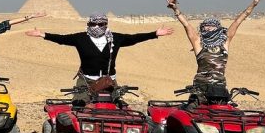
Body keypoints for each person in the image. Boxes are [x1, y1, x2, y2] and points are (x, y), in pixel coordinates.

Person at [25, 13, 173, 102]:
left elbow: (134, 38)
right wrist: (43, 35)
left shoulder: (115, 38)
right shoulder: (80, 38)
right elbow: (62, 39)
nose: (96, 26)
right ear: (88, 23)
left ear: (106, 24)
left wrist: (154, 34)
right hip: (86, 81)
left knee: (117, 110)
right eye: (93, 23)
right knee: (77, 109)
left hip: (109, 81)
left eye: (101, 24)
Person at [167, 0, 261, 97]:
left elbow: (238, 21)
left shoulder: (225, 42)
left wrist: (253, 5)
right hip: (199, 90)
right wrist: (175, 9)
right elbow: (186, 25)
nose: (208, 28)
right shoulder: (199, 44)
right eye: (205, 26)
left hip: (220, 90)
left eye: (211, 26)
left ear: (218, 28)